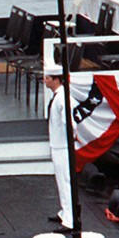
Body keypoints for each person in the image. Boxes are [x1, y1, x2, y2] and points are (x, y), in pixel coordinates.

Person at [43, 63, 75, 229]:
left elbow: (69, 123)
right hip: (57, 145)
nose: (44, 80)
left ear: (56, 79)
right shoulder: (58, 95)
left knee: (65, 182)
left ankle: (70, 220)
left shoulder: (63, 98)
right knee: (60, 181)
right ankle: (65, 212)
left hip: (63, 147)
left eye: (47, 78)